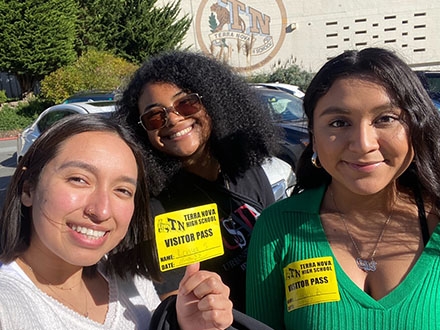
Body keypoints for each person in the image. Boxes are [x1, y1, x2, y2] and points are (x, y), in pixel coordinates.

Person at [246, 47, 440, 329]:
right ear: (313, 137)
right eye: (339, 122)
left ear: (416, 125)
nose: (363, 144)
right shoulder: (276, 229)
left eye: (385, 119)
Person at [0, 114, 233, 330]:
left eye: (122, 190)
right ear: (28, 188)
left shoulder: (129, 278)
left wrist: (182, 324)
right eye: (79, 179)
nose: (101, 211)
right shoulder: (7, 308)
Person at [114, 50, 281, 313]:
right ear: (141, 131)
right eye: (154, 116)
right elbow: (174, 299)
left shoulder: (247, 170)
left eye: (186, 104)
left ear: (213, 101)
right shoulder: (154, 205)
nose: (173, 119)